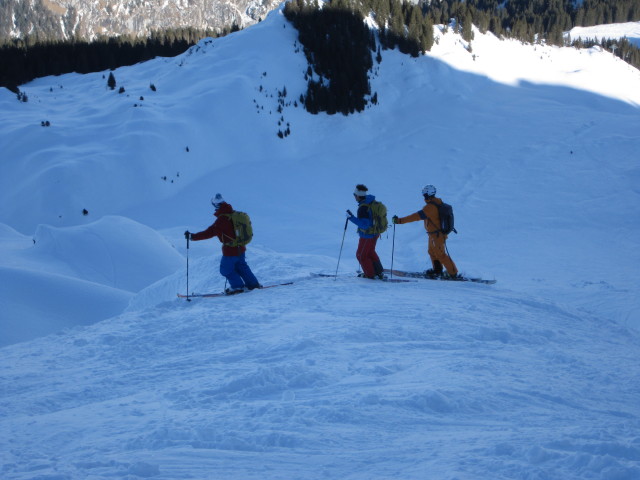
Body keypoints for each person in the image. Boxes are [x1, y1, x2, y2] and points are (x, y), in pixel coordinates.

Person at [185, 193, 260, 294]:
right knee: (242, 266)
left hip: (230, 251)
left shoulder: (222, 220)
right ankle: (253, 284)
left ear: (216, 206)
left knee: (225, 270)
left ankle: (237, 287)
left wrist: (192, 237)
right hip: (241, 248)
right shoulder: (234, 214)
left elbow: (209, 233)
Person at [392, 184, 460, 279]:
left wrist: (400, 221)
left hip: (437, 235)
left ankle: (453, 274)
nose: (423, 196)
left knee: (440, 254)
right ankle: (437, 270)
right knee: (432, 252)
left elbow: (415, 217)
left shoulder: (430, 208)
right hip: (433, 235)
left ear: (428, 194)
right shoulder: (435, 204)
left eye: (424, 194)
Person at [346, 184, 384, 279]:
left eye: (354, 194)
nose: (354, 196)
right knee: (370, 252)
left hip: (367, 235)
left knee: (361, 255)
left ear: (358, 195)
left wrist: (351, 218)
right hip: (375, 233)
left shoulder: (363, 207)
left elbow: (365, 225)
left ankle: (370, 275)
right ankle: (378, 272)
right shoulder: (370, 201)